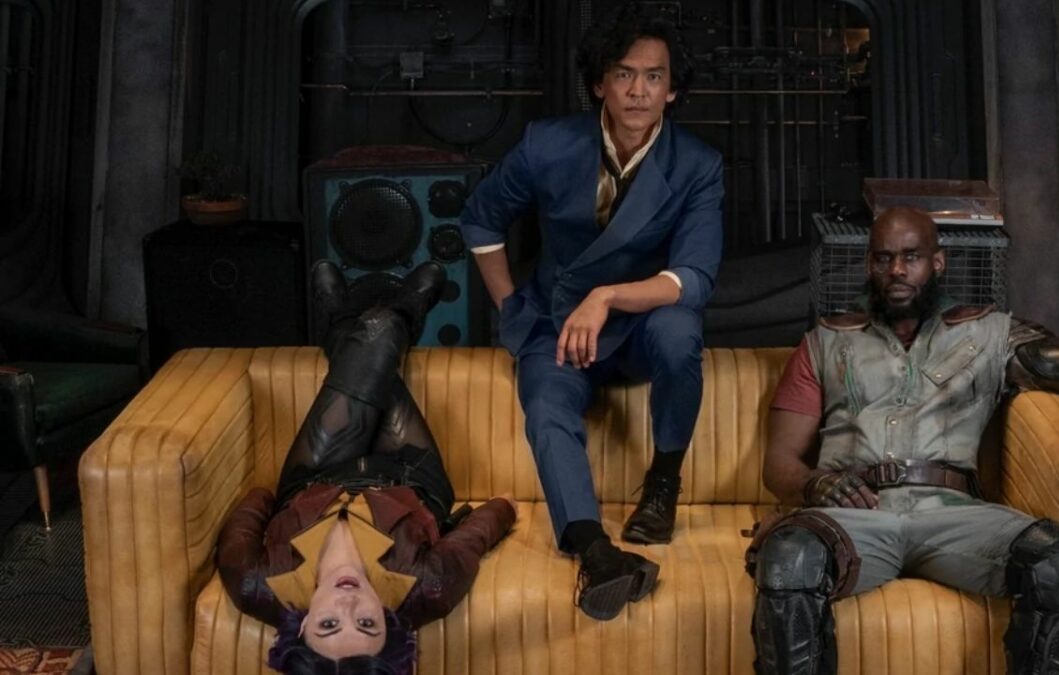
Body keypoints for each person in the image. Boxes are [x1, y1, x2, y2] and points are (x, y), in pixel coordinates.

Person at [748, 207, 1059, 675]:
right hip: (855, 516)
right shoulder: (823, 344)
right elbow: (779, 464)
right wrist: (814, 484)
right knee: (789, 558)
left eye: (911, 256)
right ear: (869, 264)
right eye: (883, 258)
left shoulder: (991, 334)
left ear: (938, 262)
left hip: (954, 516)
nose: (896, 270)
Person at [459, 2, 724, 620]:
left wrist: (605, 298)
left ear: (672, 89)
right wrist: (511, 308)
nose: (638, 91)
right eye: (624, 74)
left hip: (639, 326)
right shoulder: (548, 145)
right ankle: (595, 551)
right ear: (601, 82)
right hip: (556, 325)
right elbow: (480, 219)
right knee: (546, 406)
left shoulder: (697, 165)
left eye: (653, 77)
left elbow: (693, 278)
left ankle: (662, 483)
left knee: (680, 332)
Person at [216, 261, 516, 675]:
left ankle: (355, 317)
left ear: (302, 627)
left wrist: (276, 501)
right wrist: (505, 508)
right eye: (366, 623)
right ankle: (372, 312)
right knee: (377, 348)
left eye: (328, 624)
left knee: (372, 348)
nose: (348, 603)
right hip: (408, 473)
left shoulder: (254, 584)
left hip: (318, 474)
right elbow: (472, 538)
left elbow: (253, 507)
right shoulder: (429, 589)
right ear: (388, 626)